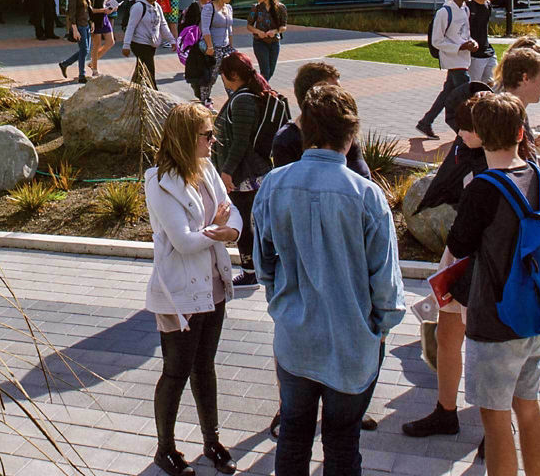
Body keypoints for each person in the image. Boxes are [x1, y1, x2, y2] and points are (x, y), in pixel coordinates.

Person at [403, 42, 540, 449]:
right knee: (455, 333)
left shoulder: (503, 128)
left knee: (480, 342)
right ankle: (463, 417)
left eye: (465, 128)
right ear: (524, 78)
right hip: (485, 251)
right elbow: (524, 175)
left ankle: (489, 430)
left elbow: (516, 179)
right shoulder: (503, 117)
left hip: (486, 254)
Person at [253, 84, 404, 476]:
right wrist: (381, 329)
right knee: (342, 443)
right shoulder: (367, 195)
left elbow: (263, 263)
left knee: (293, 436)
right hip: (353, 341)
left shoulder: (273, 184)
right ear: (351, 134)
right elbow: (386, 282)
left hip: (295, 338)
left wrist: (282, 305)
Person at [449, 91, 540, 476]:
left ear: (480, 135)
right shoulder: (537, 177)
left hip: (494, 320)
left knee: (496, 420)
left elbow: (458, 248)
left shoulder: (482, 188)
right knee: (529, 408)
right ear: (521, 132)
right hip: (533, 314)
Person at [143, 103, 242, 476]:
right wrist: (218, 229)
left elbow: (230, 213)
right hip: (179, 292)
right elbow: (182, 242)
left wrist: (225, 227)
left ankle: (212, 441)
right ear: (187, 138)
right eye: (208, 134)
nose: (214, 141)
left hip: (213, 285)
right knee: (176, 370)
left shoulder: (208, 170)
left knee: (205, 366)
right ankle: (164, 448)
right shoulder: (160, 180)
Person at [210, 52, 285, 289]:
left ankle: (250, 271)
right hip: (254, 171)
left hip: (245, 173)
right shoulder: (253, 93)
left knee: (242, 222)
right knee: (254, 221)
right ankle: (262, 268)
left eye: (223, 74)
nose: (222, 79)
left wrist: (227, 171)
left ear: (233, 75)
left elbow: (241, 141)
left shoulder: (243, 100)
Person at [270, 62, 370, 175]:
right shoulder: (286, 139)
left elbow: (361, 174)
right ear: (312, 97)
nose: (340, 96)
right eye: (332, 90)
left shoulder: (343, 131)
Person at [417, 0, 477, 139]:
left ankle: (426, 122)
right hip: (453, 59)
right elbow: (437, 41)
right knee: (466, 95)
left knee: (447, 93)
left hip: (463, 58)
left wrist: (472, 43)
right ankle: (463, 130)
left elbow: (465, 34)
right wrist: (459, 47)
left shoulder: (465, 9)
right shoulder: (444, 12)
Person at [123, 0, 177, 81]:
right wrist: (126, 45)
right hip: (139, 43)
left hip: (151, 43)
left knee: (141, 69)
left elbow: (163, 25)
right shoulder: (138, 7)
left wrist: (172, 40)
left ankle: (135, 90)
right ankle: (152, 90)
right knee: (149, 69)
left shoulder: (157, 7)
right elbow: (131, 26)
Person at [179, 0, 218, 106]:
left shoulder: (214, 6)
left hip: (210, 44)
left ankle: (205, 98)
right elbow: (187, 27)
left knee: (209, 74)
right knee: (199, 75)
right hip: (197, 46)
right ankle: (203, 98)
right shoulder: (195, 7)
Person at [247, 0, 288, 82]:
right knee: (265, 71)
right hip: (259, 42)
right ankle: (261, 90)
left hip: (274, 42)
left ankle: (257, 86)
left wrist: (275, 31)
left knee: (271, 71)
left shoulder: (281, 8)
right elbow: (249, 26)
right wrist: (258, 32)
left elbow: (284, 26)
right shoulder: (256, 7)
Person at [58, 0, 94, 83]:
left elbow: (89, 10)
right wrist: (74, 29)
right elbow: (71, 14)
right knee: (84, 49)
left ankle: (65, 64)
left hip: (86, 24)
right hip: (79, 26)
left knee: (85, 50)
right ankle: (81, 75)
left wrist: (92, 22)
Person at [466, 0, 498, 85]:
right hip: (475, 54)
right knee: (474, 87)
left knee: (491, 84)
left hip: (488, 51)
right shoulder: (468, 7)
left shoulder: (488, 5)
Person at [88, 0, 120, 77]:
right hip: (95, 19)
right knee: (96, 44)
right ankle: (95, 69)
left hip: (104, 18)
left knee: (111, 42)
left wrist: (113, 7)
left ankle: (92, 62)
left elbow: (106, 4)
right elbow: (90, 9)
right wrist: (103, 10)